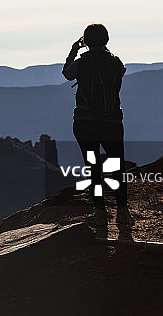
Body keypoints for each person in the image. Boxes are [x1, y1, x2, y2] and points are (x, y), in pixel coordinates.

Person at [62, 23, 127, 208]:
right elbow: (121, 74)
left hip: (85, 121)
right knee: (117, 164)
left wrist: (74, 50)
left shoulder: (82, 62)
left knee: (93, 166)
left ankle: (99, 208)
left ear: (86, 41)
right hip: (112, 121)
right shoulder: (116, 62)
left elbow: (67, 74)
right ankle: (122, 206)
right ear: (106, 39)